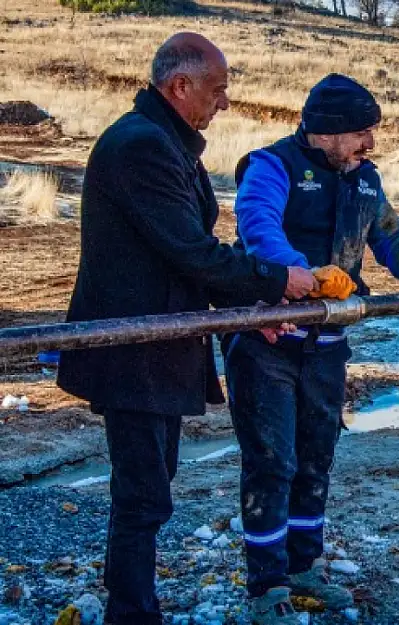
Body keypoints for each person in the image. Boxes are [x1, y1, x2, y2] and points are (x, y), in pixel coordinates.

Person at [57, 33, 317, 625]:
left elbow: (186, 254)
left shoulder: (162, 142)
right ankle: (131, 614)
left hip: (157, 344)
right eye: (218, 89)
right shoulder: (142, 148)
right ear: (180, 86)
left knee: (149, 487)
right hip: (135, 350)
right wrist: (277, 282)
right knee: (143, 494)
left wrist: (250, 309)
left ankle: (135, 606)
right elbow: (192, 252)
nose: (224, 103)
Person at [223, 73, 399, 623]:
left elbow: (391, 232)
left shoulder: (364, 179)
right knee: (272, 461)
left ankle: (304, 569)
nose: (370, 144)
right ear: (327, 131)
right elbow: (257, 230)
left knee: (316, 458)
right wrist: (305, 276)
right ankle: (266, 586)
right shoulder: (270, 168)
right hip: (266, 343)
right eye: (361, 133)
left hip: (327, 346)